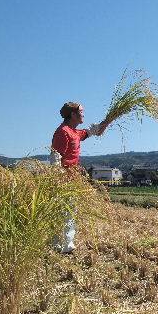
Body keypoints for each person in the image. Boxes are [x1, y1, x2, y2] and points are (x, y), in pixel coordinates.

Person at [51, 102, 109, 253]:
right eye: (81, 112)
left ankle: (66, 245)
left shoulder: (74, 132)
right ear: (73, 115)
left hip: (72, 177)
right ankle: (58, 245)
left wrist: (107, 122)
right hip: (63, 178)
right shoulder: (62, 132)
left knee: (70, 211)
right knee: (61, 211)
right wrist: (58, 177)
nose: (83, 115)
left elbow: (91, 131)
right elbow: (56, 156)